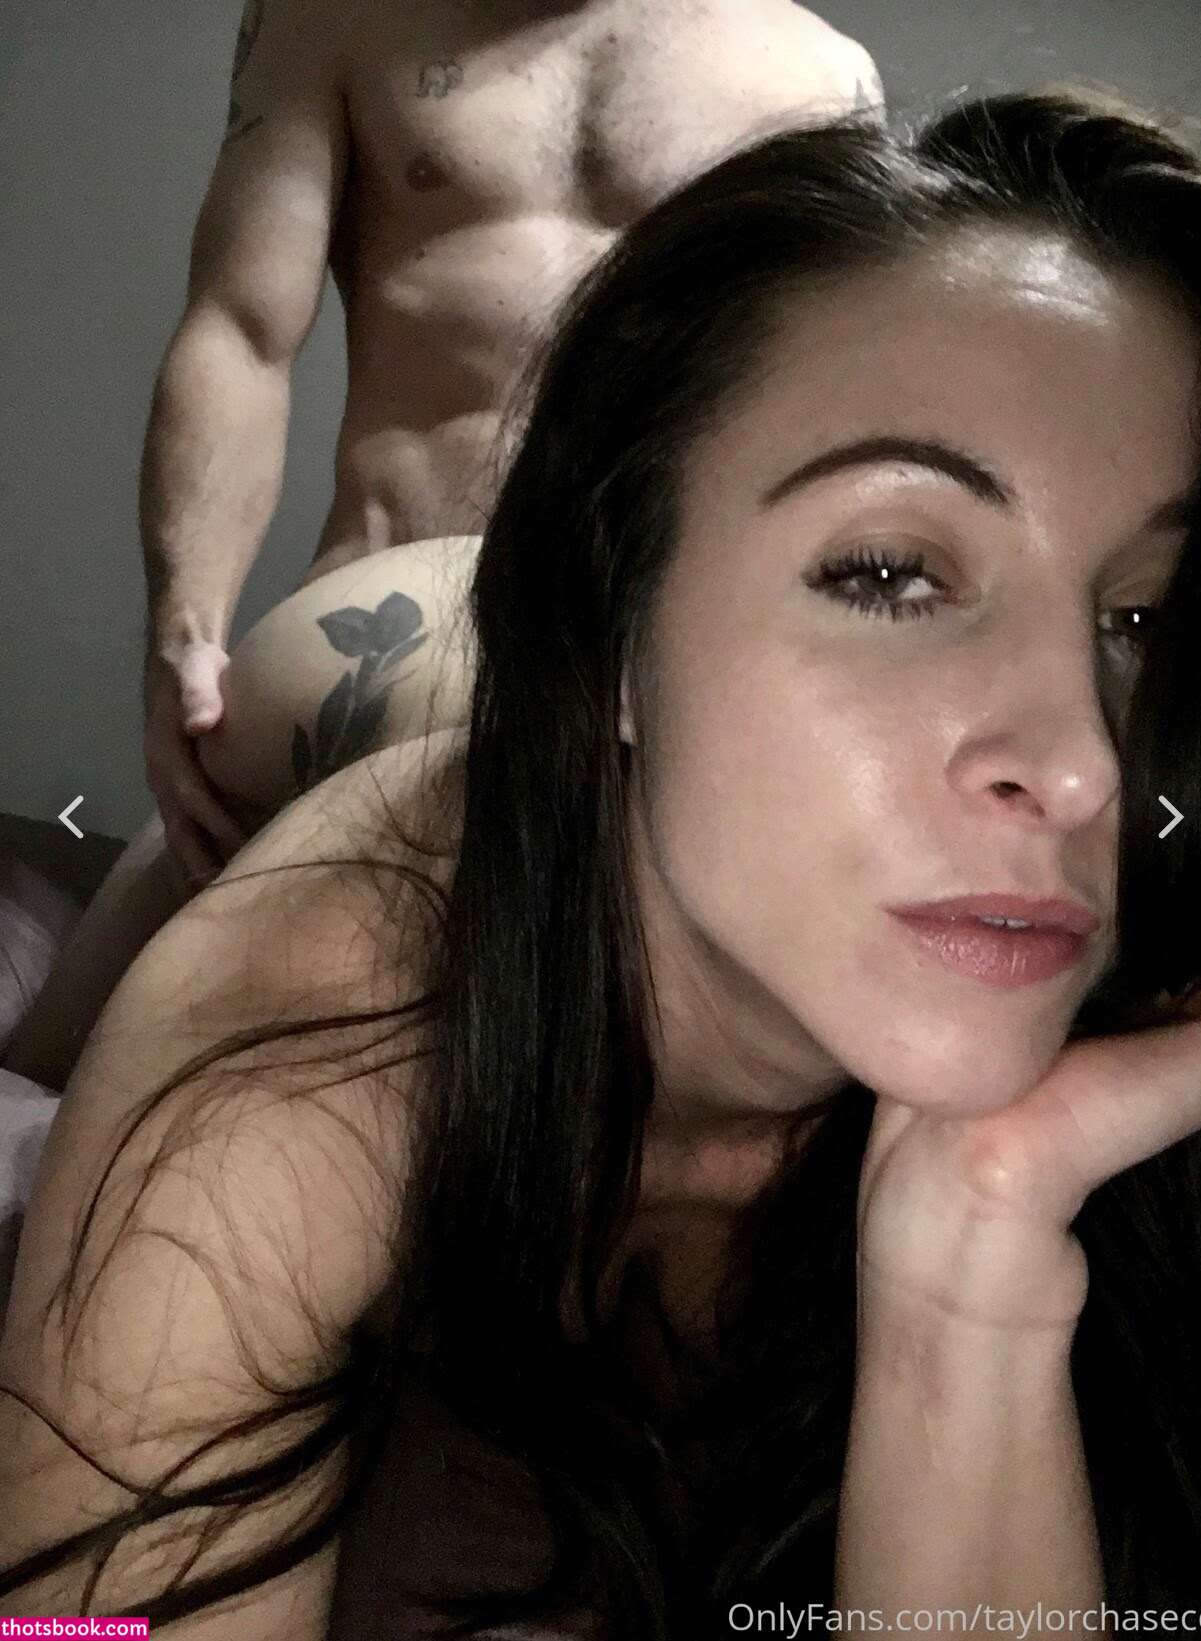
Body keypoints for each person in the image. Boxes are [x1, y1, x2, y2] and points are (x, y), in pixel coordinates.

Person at [3, 85, 1201, 1637]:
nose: (1078, 767)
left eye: (1138, 616)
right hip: (357, 676)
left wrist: (972, 1277)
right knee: (77, 1067)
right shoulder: (305, 1032)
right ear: (604, 632)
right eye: (887, 573)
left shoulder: (1181, 916)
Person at [0, 0, 882, 1094]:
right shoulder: (332, 21)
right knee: (49, 1079)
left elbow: (835, 428)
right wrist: (186, 633)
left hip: (637, 666)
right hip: (365, 636)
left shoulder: (819, 79)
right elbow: (242, 331)